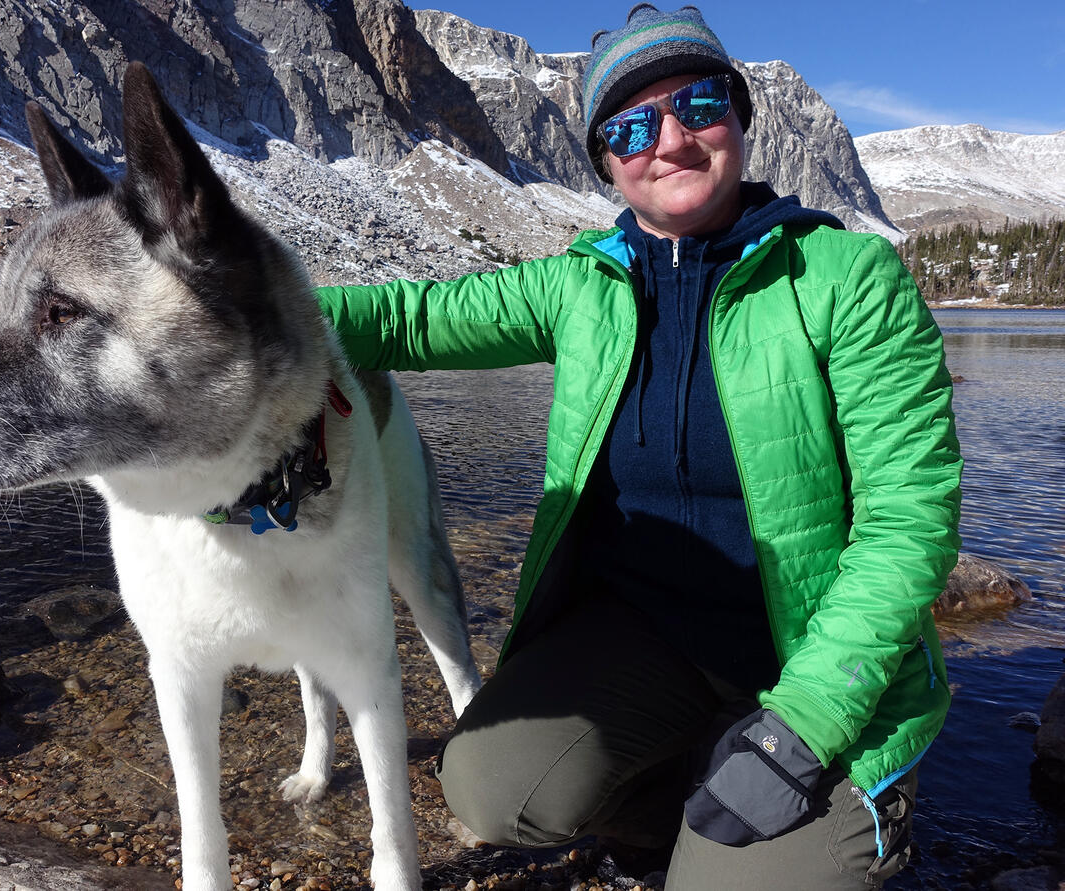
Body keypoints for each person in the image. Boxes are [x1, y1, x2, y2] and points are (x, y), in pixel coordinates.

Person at [314, 4, 962, 888]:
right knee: (490, 787)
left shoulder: (849, 279)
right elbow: (406, 320)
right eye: (630, 125)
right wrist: (235, 308)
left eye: (696, 104)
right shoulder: (582, 285)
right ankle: (675, 800)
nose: (670, 139)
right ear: (606, 161)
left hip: (809, 664)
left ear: (738, 115)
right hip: (650, 649)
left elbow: (909, 522)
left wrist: (803, 725)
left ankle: (838, 802)